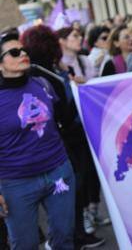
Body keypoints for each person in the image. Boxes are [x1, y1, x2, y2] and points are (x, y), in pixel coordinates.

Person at [23, 27, 106, 247]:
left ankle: (76, 234)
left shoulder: (48, 71)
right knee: (69, 191)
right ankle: (71, 236)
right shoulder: (40, 74)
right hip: (63, 139)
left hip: (68, 137)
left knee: (74, 190)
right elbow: (59, 107)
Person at [0, 31, 77, 249]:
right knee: (25, 244)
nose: (22, 53)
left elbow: (67, 118)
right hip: (15, 183)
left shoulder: (44, 82)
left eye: (23, 49)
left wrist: (79, 87)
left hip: (58, 172)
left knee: (64, 238)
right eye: (14, 52)